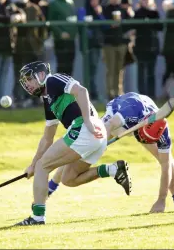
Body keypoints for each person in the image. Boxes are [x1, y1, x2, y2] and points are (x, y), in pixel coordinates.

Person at [15, 61, 132, 226]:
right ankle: (113, 169)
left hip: (85, 128)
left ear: (40, 75)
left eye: (29, 79)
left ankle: (37, 217)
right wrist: (32, 165)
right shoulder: (48, 101)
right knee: (69, 179)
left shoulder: (53, 80)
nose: (27, 84)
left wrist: (88, 122)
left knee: (44, 166)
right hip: (94, 135)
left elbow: (81, 91)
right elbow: (47, 138)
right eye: (25, 81)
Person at [48, 92, 174, 213]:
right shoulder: (126, 114)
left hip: (142, 119)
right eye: (143, 140)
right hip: (116, 116)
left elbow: (166, 165)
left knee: (166, 159)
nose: (145, 143)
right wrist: (100, 143)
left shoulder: (162, 130)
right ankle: (52, 186)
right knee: (83, 148)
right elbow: (108, 125)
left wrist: (161, 200)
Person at [13, 0, 47, 108]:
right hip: (17, 48)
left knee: (34, 75)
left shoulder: (34, 8)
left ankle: (35, 99)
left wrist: (40, 40)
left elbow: (43, 26)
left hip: (33, 47)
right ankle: (19, 99)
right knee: (19, 75)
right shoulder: (12, 7)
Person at [77, 0, 105, 101]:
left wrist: (100, 14)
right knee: (88, 70)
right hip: (87, 45)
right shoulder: (82, 10)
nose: (95, 1)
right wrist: (89, 32)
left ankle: (92, 93)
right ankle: (91, 93)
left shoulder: (99, 11)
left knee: (94, 69)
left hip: (97, 45)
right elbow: (81, 25)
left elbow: (106, 26)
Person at [134, 0, 162, 98]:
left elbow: (160, 27)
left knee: (151, 73)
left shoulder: (154, 13)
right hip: (140, 48)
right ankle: (141, 96)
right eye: (143, 0)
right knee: (141, 73)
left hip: (152, 48)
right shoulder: (137, 13)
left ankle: (152, 96)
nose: (146, 2)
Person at [48, 0, 77, 75]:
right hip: (60, 41)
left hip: (71, 41)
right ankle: (60, 89)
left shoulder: (71, 3)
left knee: (70, 67)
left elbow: (73, 20)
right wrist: (60, 33)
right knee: (62, 67)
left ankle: (69, 90)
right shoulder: (54, 4)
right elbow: (51, 22)